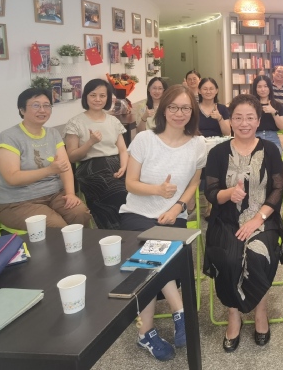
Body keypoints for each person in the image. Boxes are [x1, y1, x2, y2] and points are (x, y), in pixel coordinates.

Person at [122, 85, 207, 361]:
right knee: (157, 251)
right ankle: (181, 311)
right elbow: (130, 183)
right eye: (173, 107)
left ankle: (145, 333)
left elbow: (193, 183)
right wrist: (157, 190)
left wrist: (178, 207)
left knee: (151, 259)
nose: (179, 113)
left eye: (185, 108)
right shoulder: (145, 139)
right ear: (163, 109)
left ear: (192, 111)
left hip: (173, 215)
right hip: (137, 213)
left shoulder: (198, 144)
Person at [204, 94, 283, 352]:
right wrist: (229, 194)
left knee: (258, 254)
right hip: (226, 220)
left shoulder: (270, 150)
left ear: (258, 121)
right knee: (228, 258)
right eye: (238, 117)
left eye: (250, 117)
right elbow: (210, 192)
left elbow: (278, 189)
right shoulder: (217, 152)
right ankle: (234, 314)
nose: (244, 123)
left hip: (263, 217)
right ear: (230, 120)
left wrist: (258, 218)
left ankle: (260, 309)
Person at [0, 88, 92, 231]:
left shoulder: (53, 133)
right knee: (57, 227)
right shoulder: (8, 137)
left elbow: (64, 167)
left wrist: (70, 194)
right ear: (22, 110)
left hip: (55, 195)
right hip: (18, 202)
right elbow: (12, 178)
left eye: (46, 105)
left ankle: (83, 245)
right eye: (36, 105)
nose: (42, 110)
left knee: (80, 213)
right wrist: (49, 170)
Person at [64, 79, 128, 229]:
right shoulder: (75, 122)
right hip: (91, 168)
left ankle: (134, 229)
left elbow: (123, 150)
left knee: (138, 188)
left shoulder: (113, 121)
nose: (97, 99)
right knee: (120, 194)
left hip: (117, 165)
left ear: (108, 98)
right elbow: (71, 156)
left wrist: (124, 166)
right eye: (93, 95)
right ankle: (114, 230)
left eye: (102, 96)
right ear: (86, 97)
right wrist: (90, 143)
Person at [250, 75, 283, 153]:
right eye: (259, 87)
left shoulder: (277, 105)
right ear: (255, 89)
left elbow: (282, 126)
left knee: (274, 155)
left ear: (270, 88)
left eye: (265, 86)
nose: (263, 89)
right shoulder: (250, 105)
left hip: (272, 137)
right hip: (254, 137)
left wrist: (274, 112)